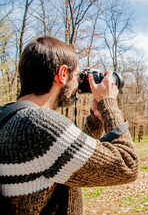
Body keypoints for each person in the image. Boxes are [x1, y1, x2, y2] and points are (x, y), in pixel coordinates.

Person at [0, 36, 139, 214]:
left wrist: (96, 118)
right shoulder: (40, 124)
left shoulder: (10, 118)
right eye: (77, 77)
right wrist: (109, 104)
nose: (78, 85)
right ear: (63, 74)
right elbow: (127, 166)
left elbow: (72, 160)